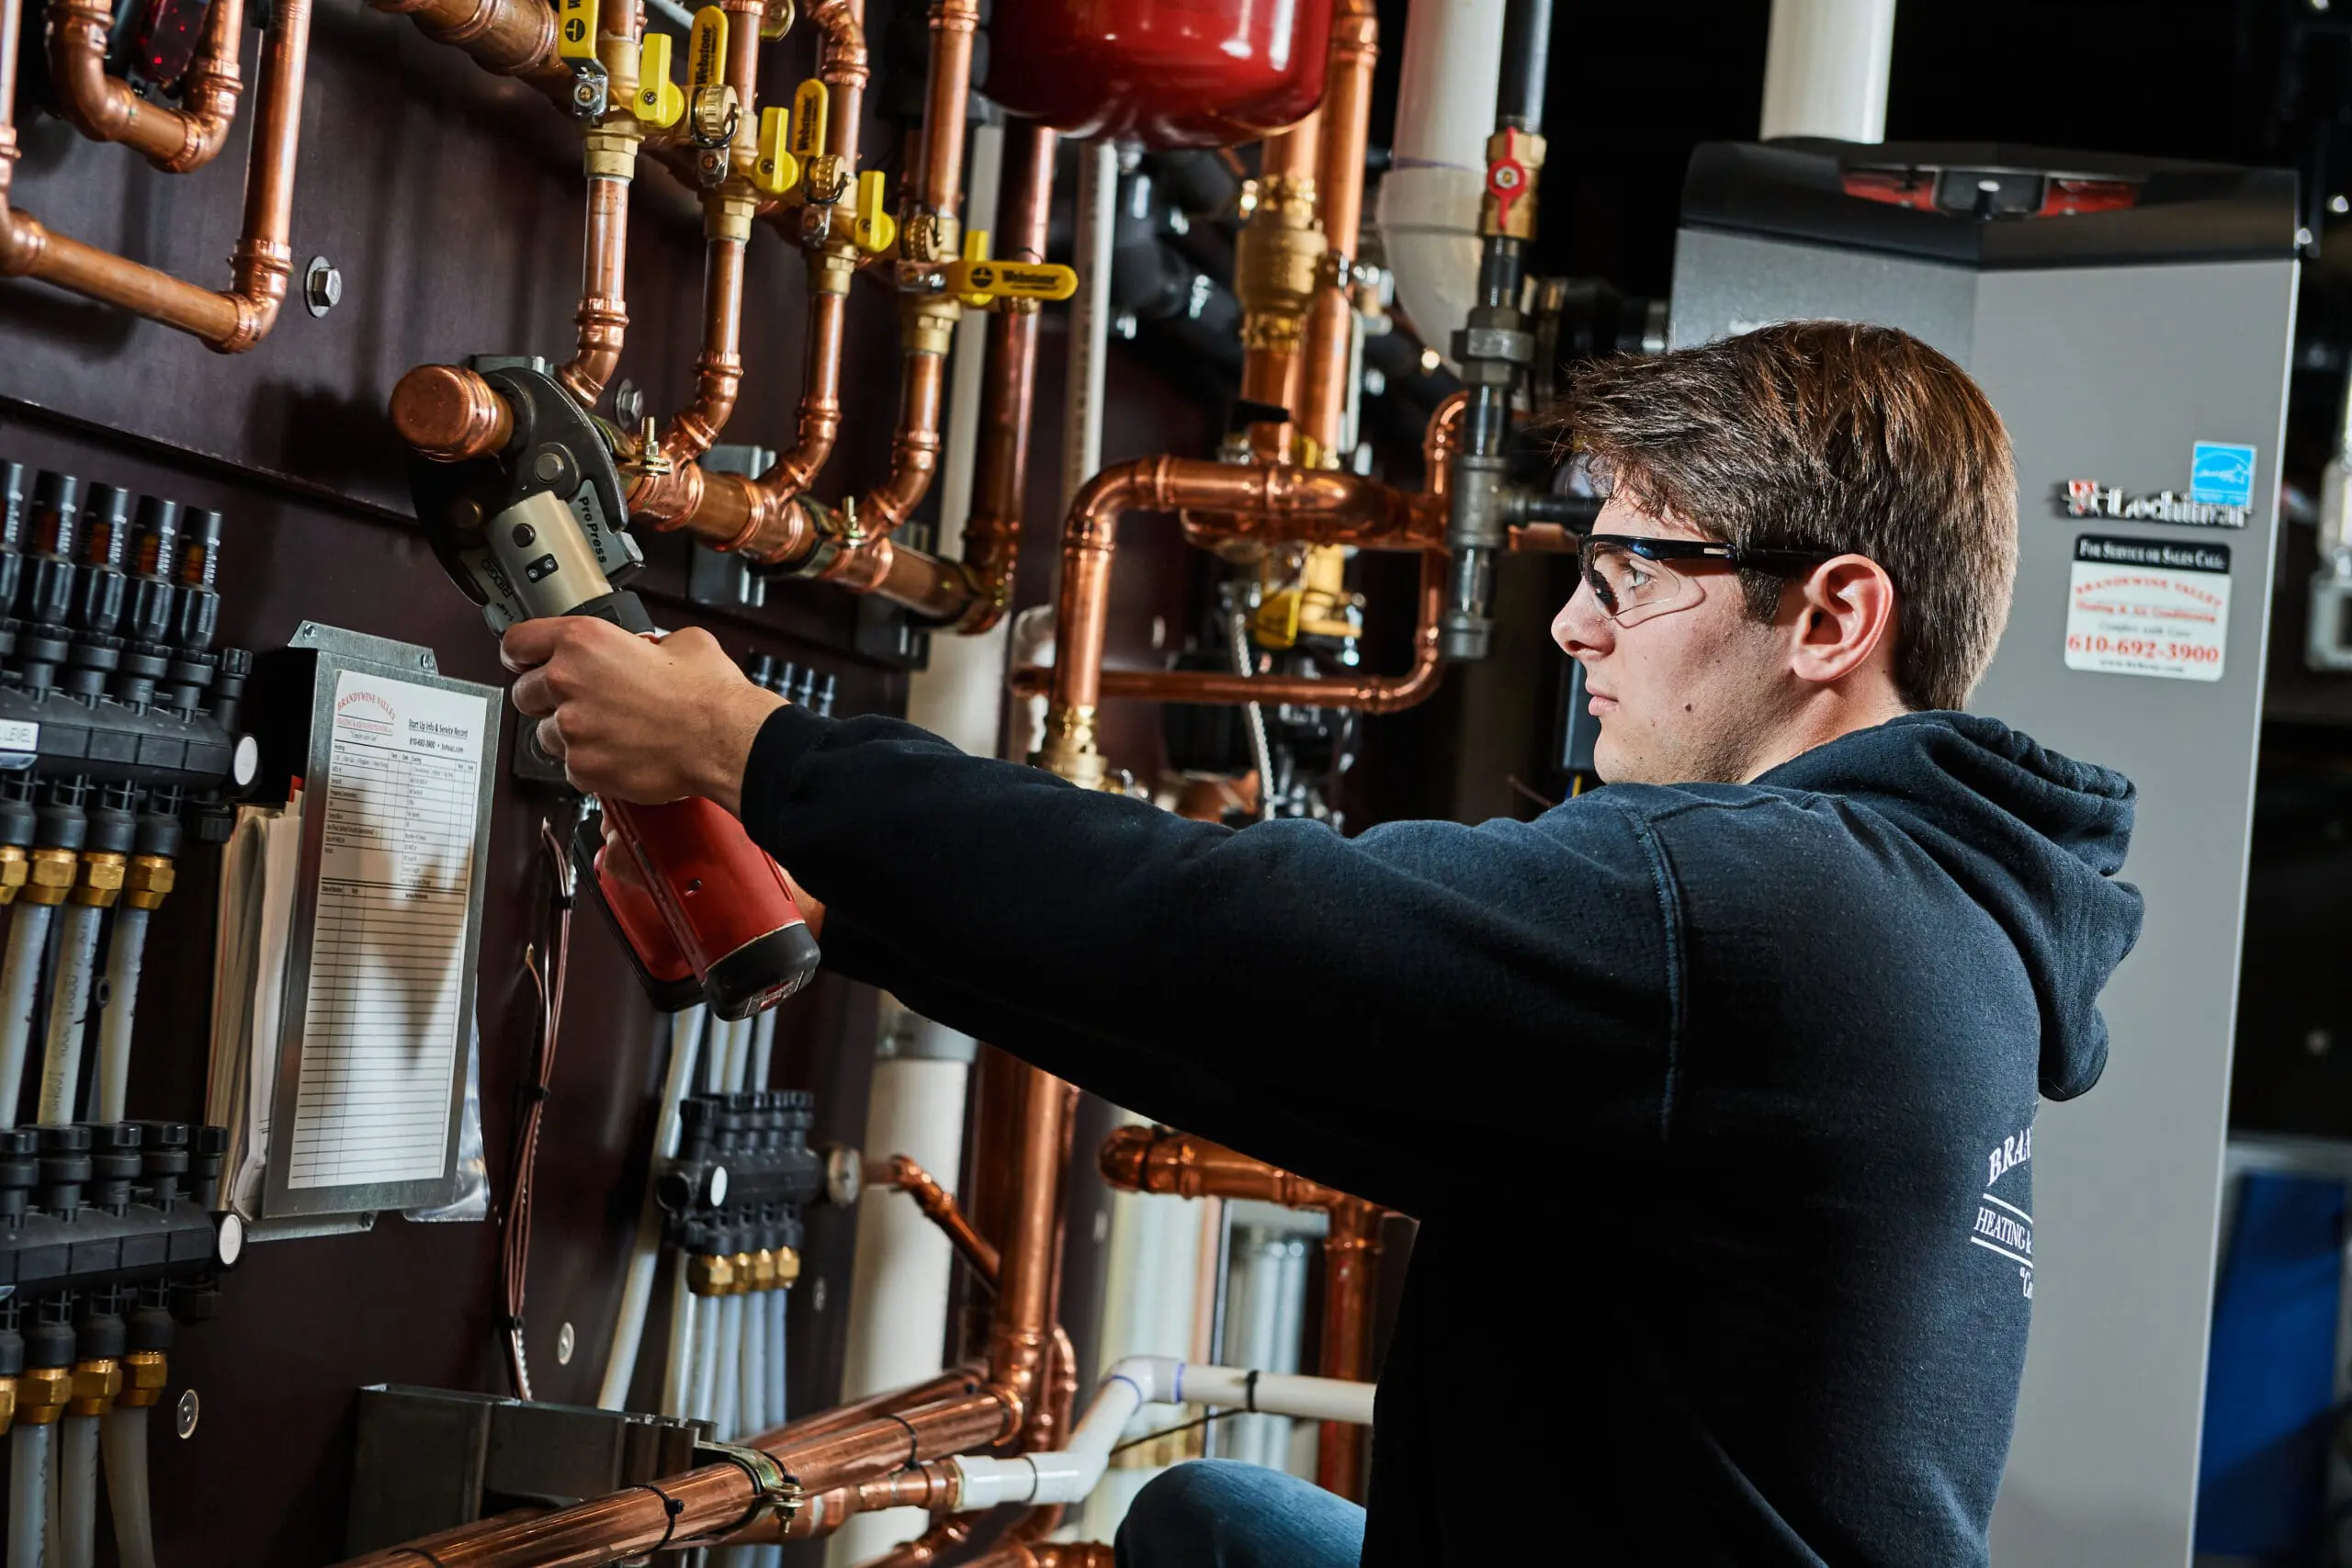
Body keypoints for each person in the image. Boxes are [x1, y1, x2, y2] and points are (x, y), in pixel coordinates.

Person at [502, 321, 2143, 1567]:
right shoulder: (1926, 912)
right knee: (1207, 1520)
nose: (1577, 625)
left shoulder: (1781, 910)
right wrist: (852, 915)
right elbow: (1293, 1056)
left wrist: (757, 747)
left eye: (1635, 573)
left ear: (1834, 620)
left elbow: (1229, 928)